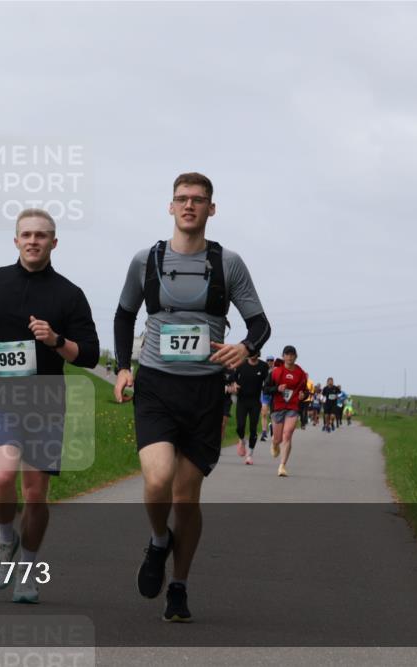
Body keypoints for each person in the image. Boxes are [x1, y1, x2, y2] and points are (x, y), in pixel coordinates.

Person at [112, 172, 271, 622]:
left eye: (198, 200)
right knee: (158, 479)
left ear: (211, 210)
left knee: (187, 497)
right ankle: (158, 540)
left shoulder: (228, 264)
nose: (189, 206)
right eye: (181, 199)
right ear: (170, 207)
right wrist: (124, 366)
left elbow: (260, 324)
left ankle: (178, 586)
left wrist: (246, 348)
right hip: (156, 386)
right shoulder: (146, 260)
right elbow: (124, 315)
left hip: (205, 392)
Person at [0, 208, 99, 603]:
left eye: (41, 235)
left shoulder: (69, 295)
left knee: (36, 494)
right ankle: (5, 538)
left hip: (45, 401)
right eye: (26, 235)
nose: (33, 241)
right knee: (2, 476)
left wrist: (55, 340)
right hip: (1, 395)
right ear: (16, 240)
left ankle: (28, 572)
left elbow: (87, 354)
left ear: (54, 243)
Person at [267, 345, 308, 477]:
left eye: (292, 355)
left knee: (288, 434)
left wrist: (304, 395)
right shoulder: (276, 372)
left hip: (293, 406)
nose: (290, 357)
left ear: (296, 357)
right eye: (287, 354)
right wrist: (277, 389)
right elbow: (265, 389)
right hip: (278, 406)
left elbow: (306, 391)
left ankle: (282, 466)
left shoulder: (301, 373)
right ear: (283, 356)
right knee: (278, 439)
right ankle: (274, 444)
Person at [232, 353, 270, 465]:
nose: (253, 355)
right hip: (242, 401)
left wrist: (268, 394)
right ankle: (242, 440)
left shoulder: (263, 366)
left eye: (256, 352)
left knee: (253, 428)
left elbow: (266, 383)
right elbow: (234, 378)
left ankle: (249, 455)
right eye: (251, 352)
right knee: (240, 426)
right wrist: (235, 384)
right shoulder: (241, 364)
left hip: (255, 402)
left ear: (258, 353)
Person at [259, 355, 275, 442]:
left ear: (273, 361)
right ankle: (264, 432)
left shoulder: (276, 370)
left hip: (273, 394)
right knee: (264, 413)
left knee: (273, 414)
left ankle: (272, 427)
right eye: (268, 360)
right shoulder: (263, 370)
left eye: (271, 360)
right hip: (264, 393)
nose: (270, 362)